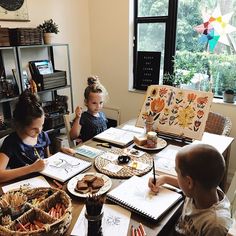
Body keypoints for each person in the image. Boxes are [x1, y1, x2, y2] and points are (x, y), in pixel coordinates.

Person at [148, 143, 232, 236]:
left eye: (177, 173)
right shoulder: (206, 188)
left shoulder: (215, 225)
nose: (177, 177)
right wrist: (165, 178)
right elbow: (187, 186)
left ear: (189, 182)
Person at [0, 90, 74, 183]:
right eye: (34, 128)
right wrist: (32, 168)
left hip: (45, 182)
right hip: (24, 186)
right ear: (21, 125)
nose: (39, 131)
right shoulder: (11, 142)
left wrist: (60, 153)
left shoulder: (43, 136)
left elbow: (47, 159)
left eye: (42, 125)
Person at [70, 76, 108, 142]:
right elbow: (73, 136)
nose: (98, 106)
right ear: (86, 102)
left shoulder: (102, 115)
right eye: (94, 103)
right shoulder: (83, 117)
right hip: (89, 148)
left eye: (101, 102)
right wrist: (78, 118)